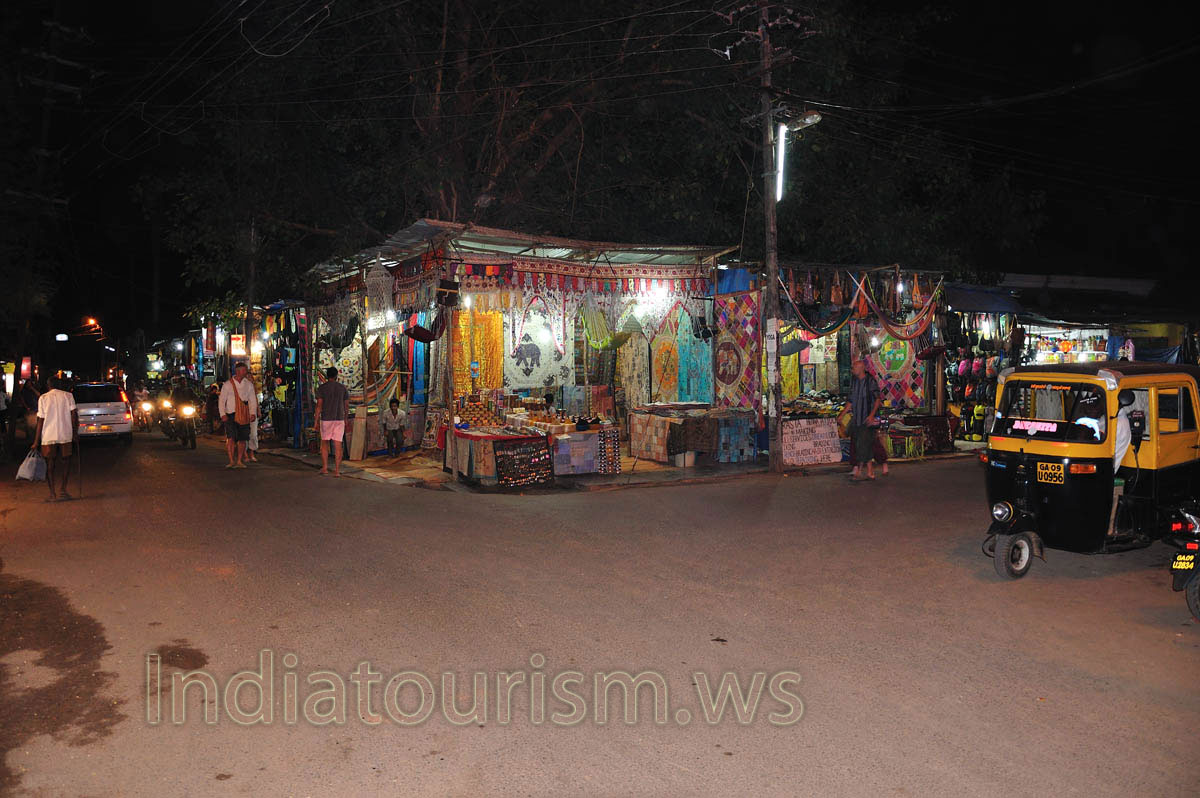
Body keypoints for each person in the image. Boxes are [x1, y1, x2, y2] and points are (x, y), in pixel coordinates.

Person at [31, 376, 79, 501]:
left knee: (50, 464)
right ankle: (63, 489)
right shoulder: (68, 396)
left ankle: (52, 494)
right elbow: (74, 415)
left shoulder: (43, 398)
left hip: (49, 435)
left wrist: (36, 441)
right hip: (65, 433)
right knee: (66, 461)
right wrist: (74, 433)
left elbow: (40, 420)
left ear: (48, 385)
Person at [840, 359, 882, 481]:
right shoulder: (854, 382)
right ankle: (869, 471)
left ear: (861, 368)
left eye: (854, 367)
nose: (852, 369)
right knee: (863, 444)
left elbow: (877, 400)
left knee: (862, 443)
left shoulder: (870, 382)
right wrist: (842, 414)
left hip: (867, 419)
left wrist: (871, 415)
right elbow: (851, 401)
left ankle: (859, 470)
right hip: (857, 419)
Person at [219, 362, 258, 468]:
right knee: (231, 438)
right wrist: (222, 414)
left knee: (242, 438)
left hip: (244, 414)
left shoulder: (248, 384)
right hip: (230, 414)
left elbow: (252, 400)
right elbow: (222, 401)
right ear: (238, 371)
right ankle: (231, 460)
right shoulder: (227, 384)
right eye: (244, 370)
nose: (246, 372)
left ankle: (239, 460)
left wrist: (253, 413)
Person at [315, 366, 350, 476]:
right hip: (339, 419)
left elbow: (319, 406)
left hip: (326, 419)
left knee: (325, 444)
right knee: (338, 445)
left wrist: (316, 421)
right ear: (336, 376)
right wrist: (346, 418)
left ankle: (325, 468)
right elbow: (346, 405)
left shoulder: (322, 388)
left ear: (327, 376)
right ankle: (337, 471)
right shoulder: (342, 388)